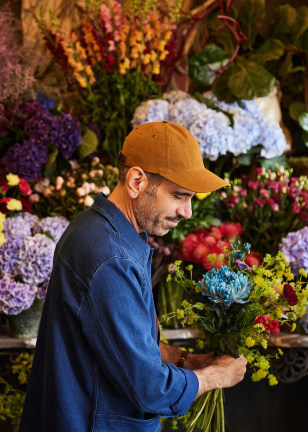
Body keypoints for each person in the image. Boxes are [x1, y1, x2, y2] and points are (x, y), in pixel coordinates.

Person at [19, 121, 247, 432]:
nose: (188, 212)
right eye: (179, 195)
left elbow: (117, 346)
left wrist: (187, 361)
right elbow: (148, 388)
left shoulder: (102, 230)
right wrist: (217, 376)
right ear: (137, 180)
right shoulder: (109, 256)